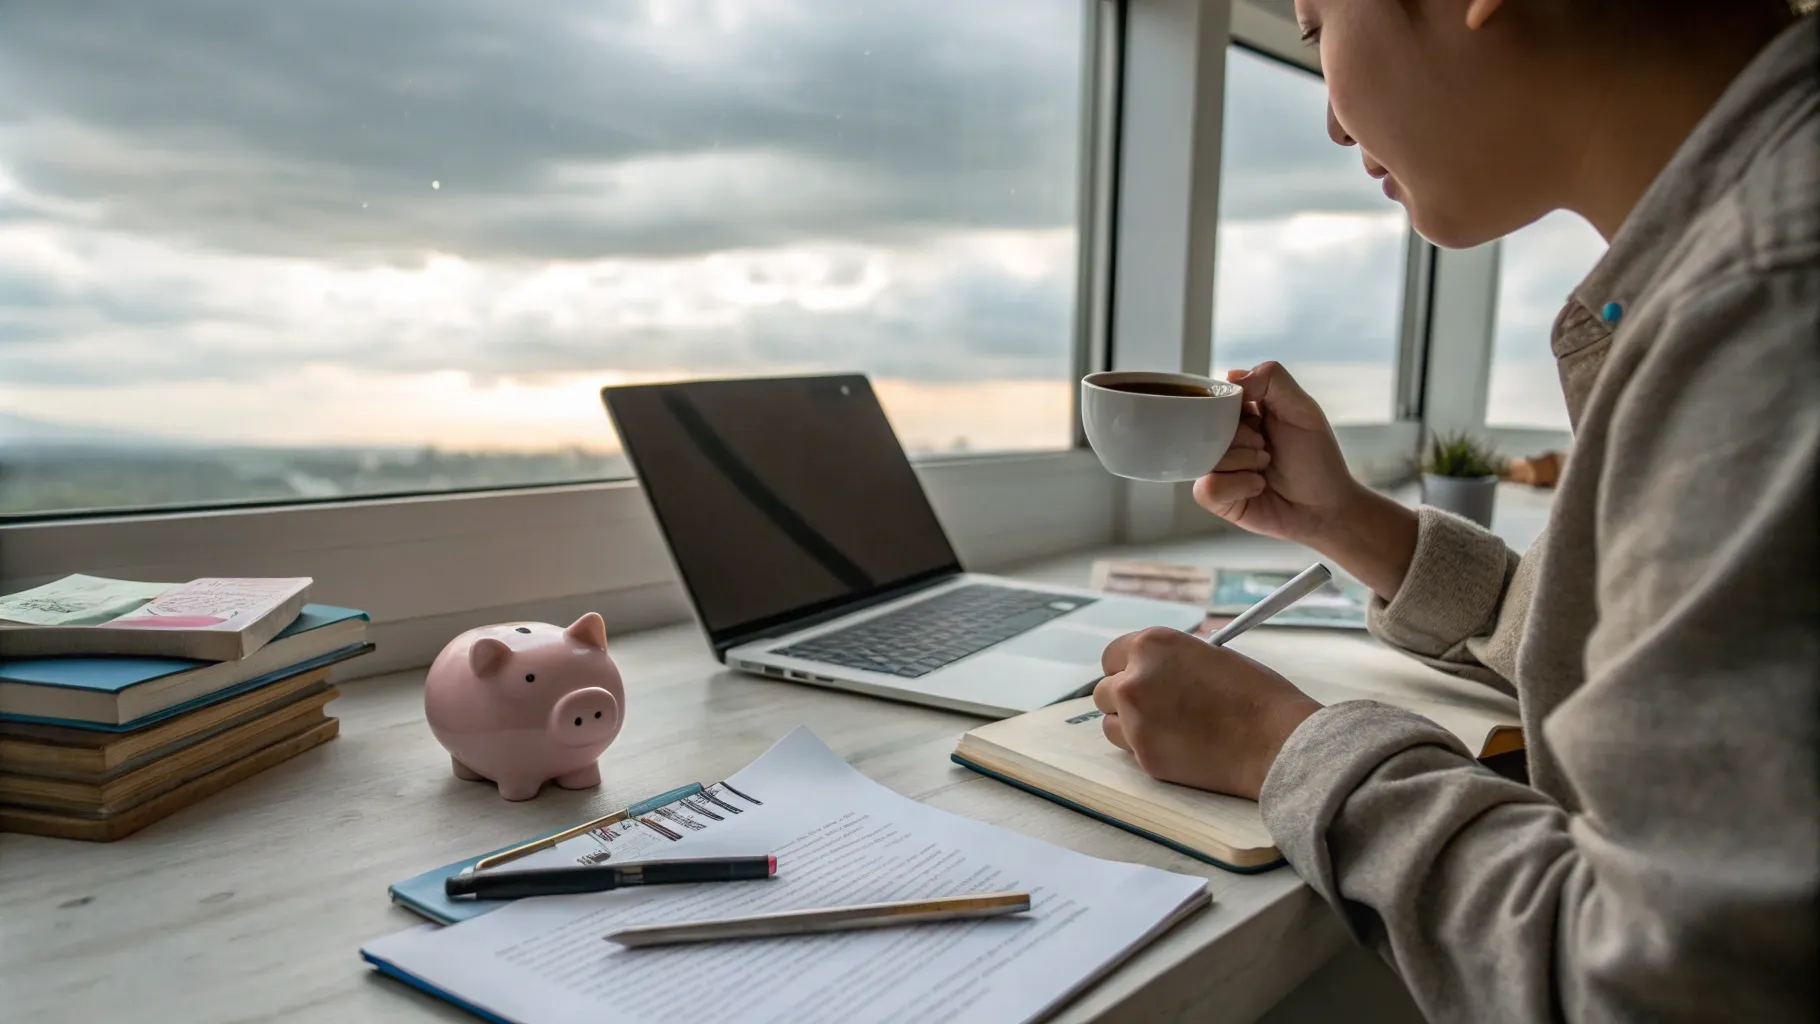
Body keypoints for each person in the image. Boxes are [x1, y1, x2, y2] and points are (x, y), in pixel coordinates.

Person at [1090, 1, 1819, 1020]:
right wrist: (1344, 522)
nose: (1334, 126)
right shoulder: (1748, 240)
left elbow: (1654, 985)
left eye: (1311, 25)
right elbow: (1666, 651)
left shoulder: (1767, 300)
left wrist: (1276, 744)